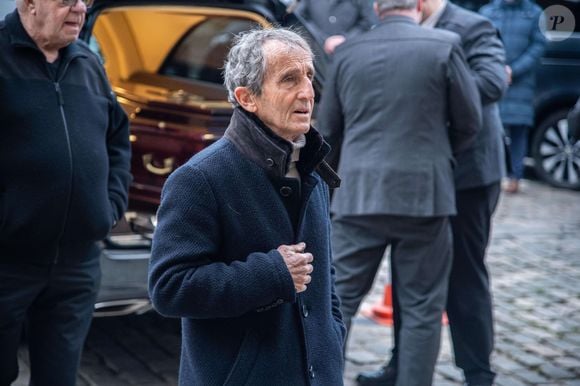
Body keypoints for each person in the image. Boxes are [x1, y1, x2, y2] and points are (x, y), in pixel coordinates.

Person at [148, 28, 345, 386]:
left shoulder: (310, 165)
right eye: (289, 79)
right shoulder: (199, 178)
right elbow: (169, 288)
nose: (308, 92)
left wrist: (332, 340)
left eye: (310, 77)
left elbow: (324, 277)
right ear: (247, 97)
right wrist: (271, 274)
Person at [317, 0, 481, 384]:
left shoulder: (348, 51)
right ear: (420, 6)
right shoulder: (444, 45)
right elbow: (469, 122)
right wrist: (438, 158)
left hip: (358, 195)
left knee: (336, 303)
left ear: (376, 7)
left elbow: (327, 131)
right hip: (425, 194)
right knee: (423, 309)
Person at [0, 0, 132, 384]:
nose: (79, 9)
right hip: (8, 262)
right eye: (66, 1)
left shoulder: (88, 64)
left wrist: (110, 206)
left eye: (85, 1)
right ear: (29, 3)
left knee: (58, 378)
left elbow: (117, 139)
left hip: (77, 265)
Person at [480, 0, 546, 193]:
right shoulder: (488, 11)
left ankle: (515, 176)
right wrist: (494, 68)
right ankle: (494, 174)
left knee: (518, 131)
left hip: (520, 83)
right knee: (492, 129)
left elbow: (538, 47)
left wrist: (513, 70)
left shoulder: (534, 13)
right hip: (493, 78)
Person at [295, 0, 377, 54]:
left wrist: (345, 39)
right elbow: (299, 17)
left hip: (348, 53)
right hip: (314, 52)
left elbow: (368, 22)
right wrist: (320, 38)